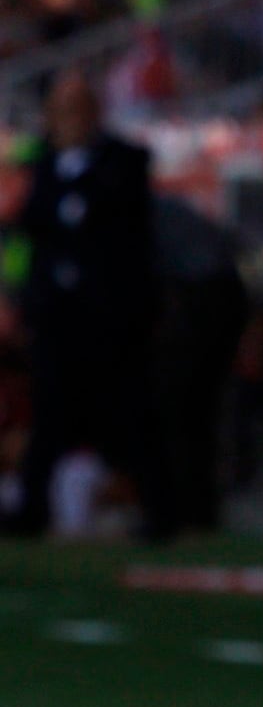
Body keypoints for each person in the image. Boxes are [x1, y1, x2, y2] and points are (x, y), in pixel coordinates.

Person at [6, 72, 169, 539]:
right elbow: (32, 231)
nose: (70, 119)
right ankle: (32, 509)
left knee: (133, 411)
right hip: (57, 314)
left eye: (78, 107)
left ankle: (159, 512)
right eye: (62, 109)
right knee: (48, 414)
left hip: (111, 314)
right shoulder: (41, 164)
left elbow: (122, 226)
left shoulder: (125, 159)